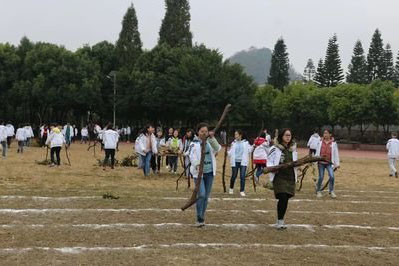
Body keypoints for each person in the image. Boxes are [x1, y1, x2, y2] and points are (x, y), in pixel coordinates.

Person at [189, 123, 221, 227]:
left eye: (206, 131)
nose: (204, 133)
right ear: (198, 132)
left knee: (206, 197)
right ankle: (198, 216)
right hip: (198, 174)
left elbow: (218, 149)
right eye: (202, 131)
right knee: (201, 194)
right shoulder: (194, 143)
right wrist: (196, 164)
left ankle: (202, 216)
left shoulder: (209, 141)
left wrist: (212, 138)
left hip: (210, 172)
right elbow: (191, 155)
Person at [267, 128, 298, 230]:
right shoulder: (275, 148)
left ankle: (280, 219)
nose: (288, 137)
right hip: (279, 177)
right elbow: (269, 161)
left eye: (289, 135)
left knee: (286, 198)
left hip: (290, 177)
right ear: (281, 136)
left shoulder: (293, 149)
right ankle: (280, 221)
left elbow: (295, 162)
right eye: (286, 135)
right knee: (283, 197)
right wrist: (273, 168)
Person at [315, 129, 340, 199]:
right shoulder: (319, 142)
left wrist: (337, 163)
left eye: (326, 133)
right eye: (324, 133)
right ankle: (318, 191)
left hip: (329, 163)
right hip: (321, 163)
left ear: (330, 134)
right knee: (321, 177)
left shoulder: (333, 143)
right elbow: (317, 152)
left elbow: (336, 154)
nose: (325, 135)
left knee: (332, 176)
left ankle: (331, 191)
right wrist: (315, 160)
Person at [228, 130, 253, 196]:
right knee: (234, 176)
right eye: (235, 134)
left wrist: (254, 145)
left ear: (240, 135)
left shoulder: (246, 142)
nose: (235, 136)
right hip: (235, 162)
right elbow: (230, 152)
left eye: (236, 134)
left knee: (242, 176)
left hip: (243, 162)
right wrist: (227, 152)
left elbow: (250, 150)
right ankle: (231, 188)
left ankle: (242, 190)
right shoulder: (233, 143)